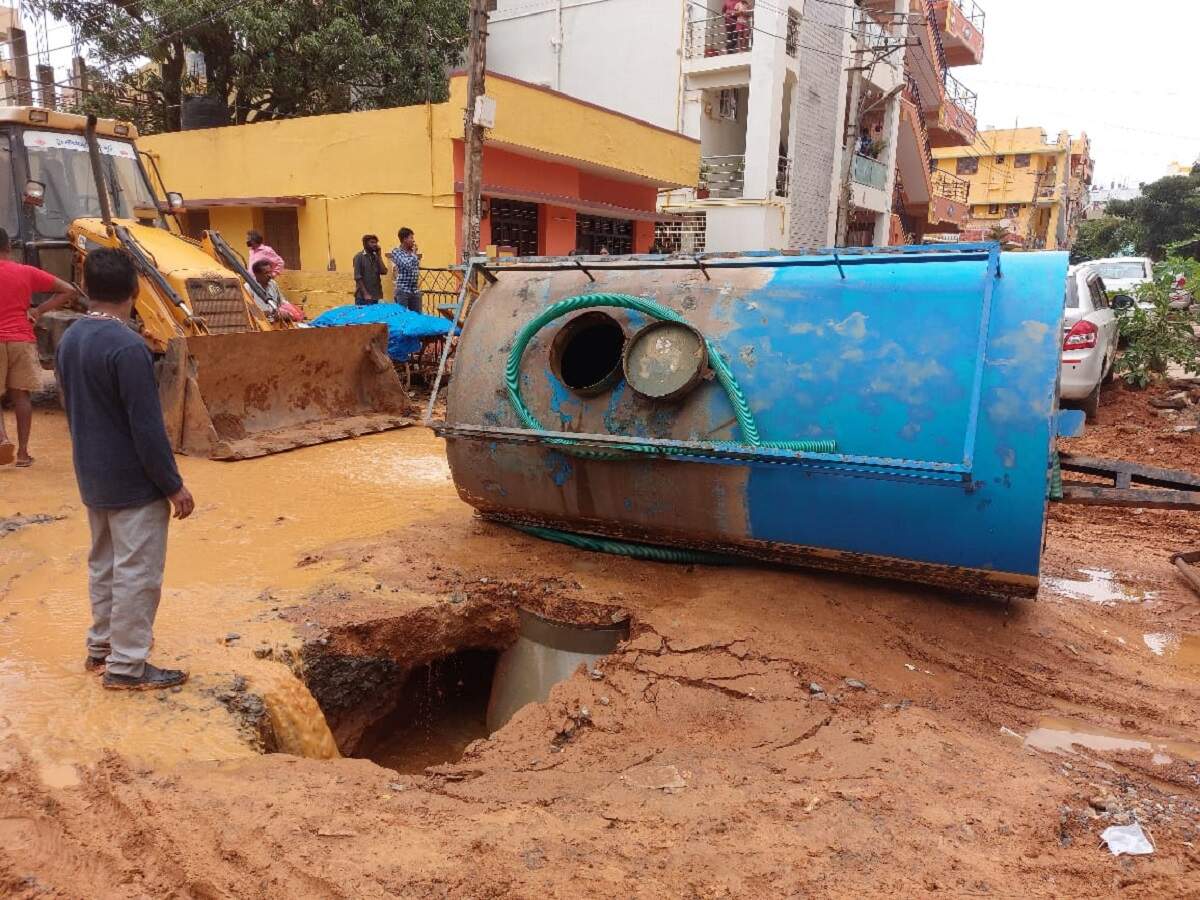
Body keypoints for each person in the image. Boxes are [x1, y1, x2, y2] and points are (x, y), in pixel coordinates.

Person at [56, 248, 195, 691]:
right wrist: (173, 486)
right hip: (134, 483)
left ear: (87, 288)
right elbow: (147, 429)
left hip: (92, 476)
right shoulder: (129, 347)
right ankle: (128, 666)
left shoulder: (70, 340)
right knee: (138, 573)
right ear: (135, 291)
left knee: (104, 565)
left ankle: (101, 648)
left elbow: (70, 408)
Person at [0, 226, 80, 467]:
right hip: (22, 339)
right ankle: (23, 453)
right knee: (21, 396)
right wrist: (38, 310)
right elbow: (69, 290)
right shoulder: (25, 271)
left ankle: (2, 439)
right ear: (8, 247)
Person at [389, 227, 423, 313]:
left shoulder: (411, 253)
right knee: (402, 315)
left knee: (417, 316)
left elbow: (414, 268)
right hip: (403, 290)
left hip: (414, 290)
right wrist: (414, 254)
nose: (413, 240)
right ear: (404, 239)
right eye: (411, 238)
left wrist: (413, 254)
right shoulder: (396, 252)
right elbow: (406, 265)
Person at [353, 234, 388, 305]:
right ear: (365, 244)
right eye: (372, 242)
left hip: (376, 297)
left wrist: (379, 256)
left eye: (376, 243)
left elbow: (384, 271)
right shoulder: (359, 257)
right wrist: (365, 294)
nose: (375, 244)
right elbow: (357, 277)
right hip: (363, 298)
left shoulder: (376, 257)